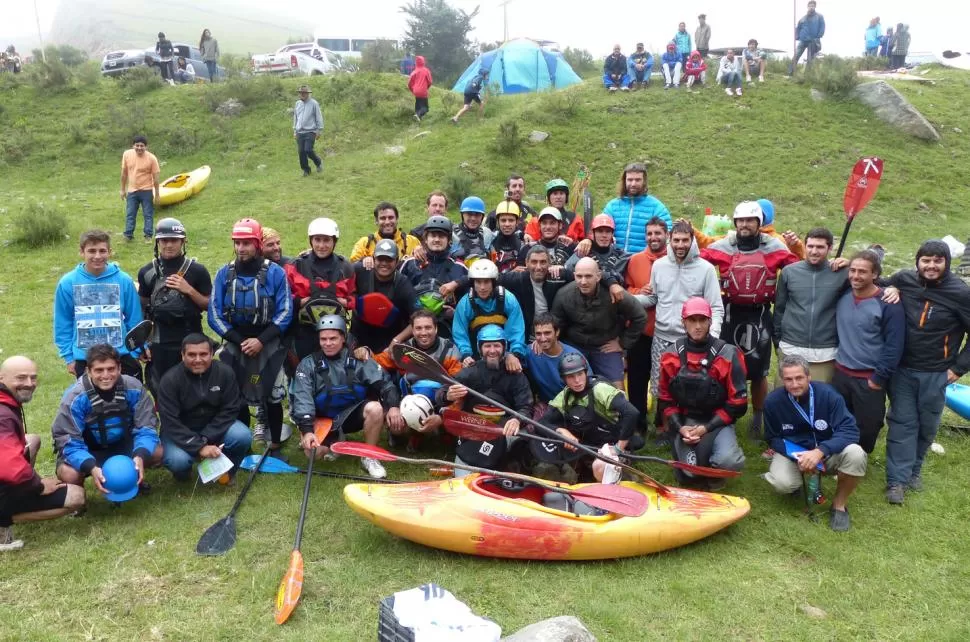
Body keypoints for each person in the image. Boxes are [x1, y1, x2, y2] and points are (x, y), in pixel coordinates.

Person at [701, 201, 799, 440]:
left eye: (750, 220)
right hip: (729, 314)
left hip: (760, 314)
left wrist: (799, 248)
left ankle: (758, 418)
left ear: (759, 223)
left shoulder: (774, 246)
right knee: (724, 368)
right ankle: (725, 416)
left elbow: (798, 267)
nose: (745, 225)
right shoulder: (723, 246)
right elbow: (698, 262)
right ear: (735, 223)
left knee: (758, 372)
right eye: (741, 220)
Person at [882, 240, 970, 504]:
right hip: (903, 370)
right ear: (917, 261)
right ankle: (896, 481)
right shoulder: (905, 279)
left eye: (937, 261)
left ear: (946, 262)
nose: (931, 266)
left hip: (937, 373)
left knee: (928, 424)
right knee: (902, 423)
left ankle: (914, 470)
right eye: (926, 260)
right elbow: (876, 284)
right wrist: (893, 287)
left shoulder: (960, 293)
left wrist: (958, 368)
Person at [208, 218, 293, 459]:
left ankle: (275, 445)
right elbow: (214, 313)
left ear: (257, 244)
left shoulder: (275, 273)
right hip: (236, 343)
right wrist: (238, 340)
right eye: (238, 243)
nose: (242, 248)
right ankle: (242, 445)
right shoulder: (224, 274)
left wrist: (261, 340)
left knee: (273, 395)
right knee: (235, 396)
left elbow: (286, 310)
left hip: (268, 341)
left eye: (247, 243)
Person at [763, 355, 868, 532]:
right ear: (782, 380)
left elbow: (850, 430)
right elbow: (772, 438)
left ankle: (839, 505)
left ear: (809, 377)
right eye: (788, 379)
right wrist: (798, 457)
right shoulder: (773, 402)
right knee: (783, 483)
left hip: (827, 452)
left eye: (799, 378)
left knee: (856, 454)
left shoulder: (829, 395)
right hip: (795, 455)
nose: (794, 384)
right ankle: (797, 484)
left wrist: (820, 451)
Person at [291, 315, 403, 478]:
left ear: (343, 337)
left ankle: (369, 456)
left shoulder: (359, 359)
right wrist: (307, 430)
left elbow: (386, 385)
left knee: (375, 408)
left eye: (333, 338)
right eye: (323, 339)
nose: (328, 343)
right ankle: (333, 441)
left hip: (351, 416)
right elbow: (302, 399)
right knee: (314, 454)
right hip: (322, 418)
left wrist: (393, 406)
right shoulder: (308, 365)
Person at [642, 221, 724, 434]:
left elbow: (716, 306)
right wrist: (626, 299)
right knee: (660, 383)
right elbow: (653, 298)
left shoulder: (705, 269)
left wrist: (711, 336)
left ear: (692, 240)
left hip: (691, 340)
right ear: (670, 240)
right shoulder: (659, 266)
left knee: (689, 383)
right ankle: (663, 428)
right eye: (676, 240)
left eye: (684, 240)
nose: (680, 245)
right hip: (662, 335)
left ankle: (691, 424)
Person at [658, 297, 747, 489]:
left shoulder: (729, 354)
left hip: (717, 421)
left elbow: (738, 404)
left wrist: (707, 428)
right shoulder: (670, 355)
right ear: (684, 322)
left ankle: (716, 475)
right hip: (685, 421)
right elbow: (665, 398)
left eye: (702, 320)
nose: (697, 326)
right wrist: (680, 427)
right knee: (688, 476)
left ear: (710, 321)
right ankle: (692, 458)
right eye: (692, 320)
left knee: (728, 462)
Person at [1, 356, 85, 551]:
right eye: (21, 378)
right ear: (1, 378)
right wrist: (37, 485)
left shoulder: (6, 401)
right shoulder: (3, 416)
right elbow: (7, 466)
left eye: (33, 378)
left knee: (32, 440)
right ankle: (3, 518)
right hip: (4, 477)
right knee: (76, 496)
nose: (29, 384)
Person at [53, 344, 163, 493]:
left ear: (119, 368)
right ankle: (79, 500)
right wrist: (90, 465)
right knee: (70, 474)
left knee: (157, 452)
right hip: (89, 449)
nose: (105, 375)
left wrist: (140, 455)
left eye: (111, 369)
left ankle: (133, 478)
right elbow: (68, 440)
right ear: (88, 371)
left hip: (123, 443)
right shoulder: (74, 398)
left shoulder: (134, 387)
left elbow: (147, 426)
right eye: (99, 370)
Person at [832, 250, 904, 454]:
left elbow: (894, 344)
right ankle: (839, 456)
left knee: (868, 424)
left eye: (862, 272)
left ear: (875, 275)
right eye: (852, 270)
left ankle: (859, 459)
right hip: (841, 372)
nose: (856, 276)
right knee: (839, 418)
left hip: (869, 377)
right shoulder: (843, 295)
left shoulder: (888, 304)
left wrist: (878, 378)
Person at [436, 325, 532, 474]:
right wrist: (447, 395)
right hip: (474, 430)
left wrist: (517, 420)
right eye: (487, 346)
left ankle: (507, 466)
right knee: (463, 481)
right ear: (480, 349)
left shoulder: (516, 376)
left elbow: (526, 407)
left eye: (496, 345)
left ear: (504, 347)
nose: (492, 350)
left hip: (503, 431)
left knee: (517, 447)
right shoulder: (469, 372)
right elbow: (441, 394)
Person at [157, 334, 250, 482]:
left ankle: (227, 473)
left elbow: (230, 409)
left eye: (203, 354)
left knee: (242, 435)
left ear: (212, 354)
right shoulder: (169, 380)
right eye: (192, 355)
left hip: (214, 427)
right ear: (182, 355)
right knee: (178, 461)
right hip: (181, 430)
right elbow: (170, 422)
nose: (198, 360)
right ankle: (183, 475)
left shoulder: (225, 373)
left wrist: (206, 437)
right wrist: (199, 447)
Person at [54, 229, 144, 379]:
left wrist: (135, 351)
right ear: (82, 252)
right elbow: (63, 322)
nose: (97, 256)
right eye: (92, 251)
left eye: (102, 251)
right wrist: (69, 357)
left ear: (109, 252)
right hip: (85, 358)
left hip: (121, 355)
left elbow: (134, 319)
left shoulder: (123, 280)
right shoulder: (67, 283)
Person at [137, 218, 212, 393]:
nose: (169, 245)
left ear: (183, 241)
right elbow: (142, 310)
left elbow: (210, 306)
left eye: (174, 240)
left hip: (191, 340)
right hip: (159, 343)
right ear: (157, 242)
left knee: (194, 389)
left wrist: (189, 290)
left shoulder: (198, 271)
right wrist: (143, 345)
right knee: (161, 389)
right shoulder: (147, 272)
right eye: (164, 240)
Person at [536, 353, 637, 483]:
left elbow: (632, 413)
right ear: (564, 379)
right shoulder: (565, 396)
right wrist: (562, 432)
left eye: (580, 374)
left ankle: (622, 477)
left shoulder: (600, 389)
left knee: (599, 467)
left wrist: (618, 449)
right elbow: (542, 423)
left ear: (585, 373)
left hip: (612, 444)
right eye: (571, 377)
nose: (577, 380)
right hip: (588, 446)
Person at [552, 257, 646, 390]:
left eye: (588, 276)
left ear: (598, 276)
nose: (583, 281)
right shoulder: (564, 295)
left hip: (605, 346)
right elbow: (556, 324)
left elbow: (640, 316)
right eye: (579, 276)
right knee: (573, 386)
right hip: (575, 345)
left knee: (617, 390)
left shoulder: (614, 293)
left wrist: (622, 343)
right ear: (574, 276)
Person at [773, 228, 850, 387]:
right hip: (790, 347)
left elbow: (871, 279)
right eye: (810, 246)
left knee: (819, 401)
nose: (814, 251)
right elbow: (779, 309)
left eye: (820, 247)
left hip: (825, 352)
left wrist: (851, 263)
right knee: (785, 399)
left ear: (830, 248)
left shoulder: (842, 273)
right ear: (805, 246)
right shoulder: (789, 272)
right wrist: (778, 340)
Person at [285, 218, 356, 360]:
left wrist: (346, 302)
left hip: (335, 333)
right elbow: (283, 299)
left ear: (334, 241)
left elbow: (354, 297)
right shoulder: (295, 266)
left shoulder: (345, 268)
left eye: (326, 240)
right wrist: (299, 301)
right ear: (311, 241)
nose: (321, 245)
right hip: (303, 332)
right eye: (317, 240)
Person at [624, 217, 669, 422]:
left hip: (666, 330)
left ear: (666, 235)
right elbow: (626, 290)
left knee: (665, 379)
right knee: (637, 379)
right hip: (641, 330)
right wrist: (639, 291)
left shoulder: (674, 260)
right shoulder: (635, 260)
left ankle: (663, 422)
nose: (653, 237)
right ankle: (637, 423)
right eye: (649, 233)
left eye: (657, 233)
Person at [399, 215, 468, 331]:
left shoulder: (459, 268)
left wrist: (455, 313)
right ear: (425, 239)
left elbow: (471, 300)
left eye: (441, 236)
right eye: (433, 235)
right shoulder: (410, 264)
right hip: (413, 329)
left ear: (449, 240)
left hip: (448, 328)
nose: (437, 239)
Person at [453, 259, 527, 368]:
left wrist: (514, 354)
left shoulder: (508, 299)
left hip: (505, 355)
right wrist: (466, 355)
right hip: (475, 356)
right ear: (473, 283)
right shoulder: (465, 303)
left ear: (493, 282)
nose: (482, 287)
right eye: (478, 282)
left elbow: (517, 330)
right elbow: (460, 333)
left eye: (486, 282)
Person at [350, 239, 417, 354]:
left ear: (397, 261)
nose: (384, 263)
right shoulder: (360, 270)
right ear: (373, 259)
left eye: (389, 259)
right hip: (359, 336)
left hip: (389, 341)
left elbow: (418, 318)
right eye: (380, 259)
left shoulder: (403, 284)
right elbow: (338, 268)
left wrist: (397, 340)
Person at [499, 245, 570, 338]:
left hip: (554, 335)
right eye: (534, 262)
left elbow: (577, 278)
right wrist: (510, 271)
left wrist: (563, 270)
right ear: (526, 263)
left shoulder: (557, 277)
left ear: (550, 263)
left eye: (543, 262)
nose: (538, 267)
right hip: (526, 336)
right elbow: (492, 280)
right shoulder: (517, 279)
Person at [601, 162, 672, 253]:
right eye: (630, 180)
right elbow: (599, 230)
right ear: (624, 181)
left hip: (643, 261)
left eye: (638, 180)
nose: (633, 184)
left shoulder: (657, 207)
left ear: (644, 181)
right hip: (615, 260)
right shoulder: (612, 206)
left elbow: (668, 234)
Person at [526, 314, 592, 405]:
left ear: (557, 332)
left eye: (547, 333)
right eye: (538, 334)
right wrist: (511, 356)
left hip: (575, 405)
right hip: (547, 405)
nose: (543, 338)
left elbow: (589, 387)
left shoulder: (574, 356)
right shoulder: (531, 351)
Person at [567, 214, 630, 285]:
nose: (604, 235)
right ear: (593, 233)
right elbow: (567, 270)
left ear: (612, 234)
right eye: (600, 231)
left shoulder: (621, 255)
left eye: (608, 231)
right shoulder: (583, 251)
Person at [350, 202, 421, 264]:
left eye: (391, 218)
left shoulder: (412, 241)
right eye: (383, 218)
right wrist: (364, 260)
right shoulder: (365, 243)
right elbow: (353, 264)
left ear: (397, 219)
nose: (387, 222)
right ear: (376, 221)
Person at [120, 135, 160, 242]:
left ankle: (148, 236)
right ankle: (128, 235)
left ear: (146, 147)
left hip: (146, 190)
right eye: (137, 145)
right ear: (133, 146)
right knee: (130, 214)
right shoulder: (127, 154)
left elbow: (156, 179)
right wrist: (122, 189)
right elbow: (124, 173)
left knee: (148, 214)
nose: (139, 148)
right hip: (132, 190)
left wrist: (157, 195)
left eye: (142, 146)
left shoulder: (152, 158)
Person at [451, 196, 495, 264]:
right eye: (469, 214)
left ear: (482, 217)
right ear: (462, 215)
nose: (473, 218)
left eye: (477, 214)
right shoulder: (452, 235)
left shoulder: (487, 234)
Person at [293, 85, 323, 177]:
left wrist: (319, 130)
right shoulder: (297, 104)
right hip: (299, 132)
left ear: (308, 94)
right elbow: (296, 117)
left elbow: (318, 117)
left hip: (311, 131)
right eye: (300, 93)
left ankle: (318, 162)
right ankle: (306, 170)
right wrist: (294, 130)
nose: (302, 94)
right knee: (301, 152)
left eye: (304, 93)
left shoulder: (314, 103)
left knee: (308, 150)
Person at [490, 200, 526, 273]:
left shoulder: (523, 244)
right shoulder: (490, 241)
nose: (507, 224)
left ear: (517, 222)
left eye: (511, 220)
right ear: (498, 222)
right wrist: (511, 272)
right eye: (503, 220)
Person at [791, 1, 825, 74]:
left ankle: (807, 75)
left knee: (811, 59)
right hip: (803, 40)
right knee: (796, 55)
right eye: (810, 6)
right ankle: (790, 73)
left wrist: (818, 36)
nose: (811, 7)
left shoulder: (819, 16)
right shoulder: (803, 18)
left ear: (815, 6)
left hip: (813, 40)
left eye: (813, 6)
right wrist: (797, 36)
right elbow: (798, 28)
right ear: (807, 7)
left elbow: (822, 27)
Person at [407, 55, 433, 122]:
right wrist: (426, 88)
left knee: (418, 105)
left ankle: (417, 118)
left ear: (416, 63)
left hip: (416, 91)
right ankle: (418, 115)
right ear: (423, 62)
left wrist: (413, 90)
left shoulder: (414, 72)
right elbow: (430, 82)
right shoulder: (426, 71)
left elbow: (409, 84)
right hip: (423, 91)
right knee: (425, 108)